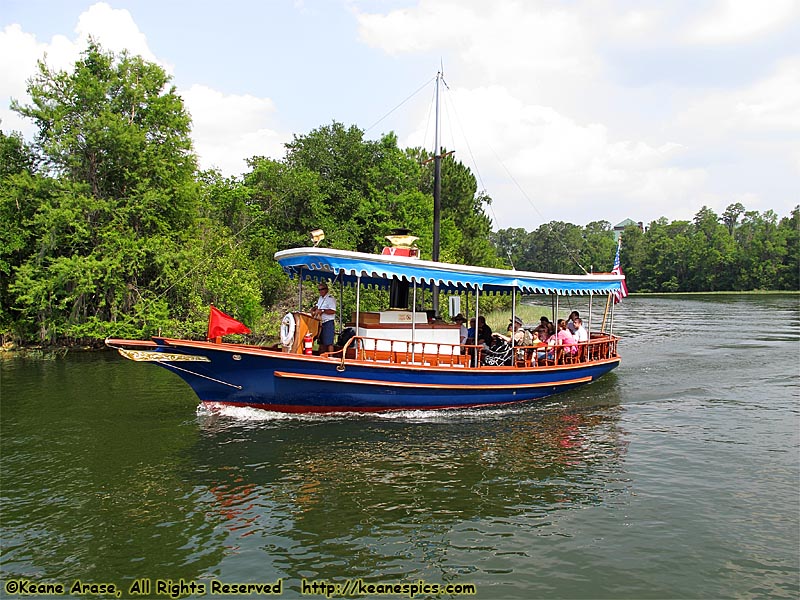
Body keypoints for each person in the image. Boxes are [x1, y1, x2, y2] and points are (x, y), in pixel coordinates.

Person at [310, 282, 336, 354]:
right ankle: (320, 356)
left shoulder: (330, 299)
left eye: (322, 289)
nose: (320, 291)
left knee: (329, 342)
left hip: (328, 322)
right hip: (320, 322)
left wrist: (323, 311)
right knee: (321, 342)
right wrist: (313, 309)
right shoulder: (320, 298)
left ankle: (331, 357)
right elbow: (318, 306)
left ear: (326, 289)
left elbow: (333, 311)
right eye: (319, 290)